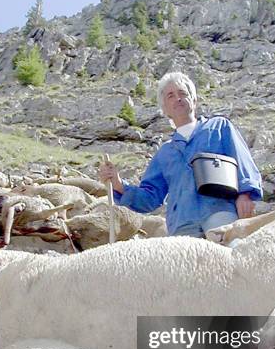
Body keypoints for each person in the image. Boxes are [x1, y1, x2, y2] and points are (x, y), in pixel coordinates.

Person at [99, 71, 262, 237]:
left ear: (194, 100)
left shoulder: (219, 127)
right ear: (165, 109)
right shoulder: (165, 153)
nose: (177, 98)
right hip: (182, 223)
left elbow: (242, 161)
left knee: (230, 251)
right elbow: (150, 197)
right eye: (170, 95)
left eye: (182, 93)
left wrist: (245, 194)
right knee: (184, 262)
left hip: (219, 210)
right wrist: (119, 184)